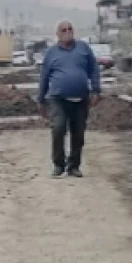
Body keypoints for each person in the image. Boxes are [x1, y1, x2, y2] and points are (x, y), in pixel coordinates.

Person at [37, 18, 100, 177]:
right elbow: (44, 77)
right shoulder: (51, 53)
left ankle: (73, 166)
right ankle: (59, 165)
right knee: (58, 128)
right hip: (58, 99)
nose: (67, 32)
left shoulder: (83, 48)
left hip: (81, 98)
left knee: (78, 133)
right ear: (57, 34)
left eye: (70, 29)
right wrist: (40, 99)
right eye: (63, 30)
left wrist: (96, 90)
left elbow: (94, 70)